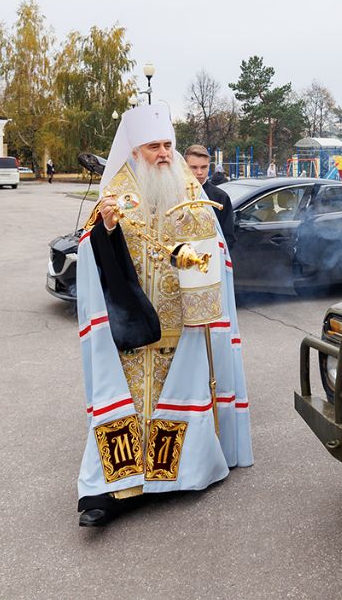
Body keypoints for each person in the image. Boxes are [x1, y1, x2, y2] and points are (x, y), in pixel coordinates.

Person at [74, 103, 252, 528]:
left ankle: (178, 476)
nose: (163, 153)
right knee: (127, 405)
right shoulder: (115, 193)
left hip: (181, 323)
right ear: (134, 150)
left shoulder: (189, 191)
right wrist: (108, 229)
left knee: (178, 402)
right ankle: (116, 487)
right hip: (129, 324)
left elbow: (216, 251)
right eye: (153, 145)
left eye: (167, 144)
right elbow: (88, 248)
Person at [184, 144, 236, 253]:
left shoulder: (220, 197)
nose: (199, 172)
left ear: (209, 166)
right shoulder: (175, 194)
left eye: (204, 167)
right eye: (194, 167)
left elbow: (228, 236)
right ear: (185, 167)